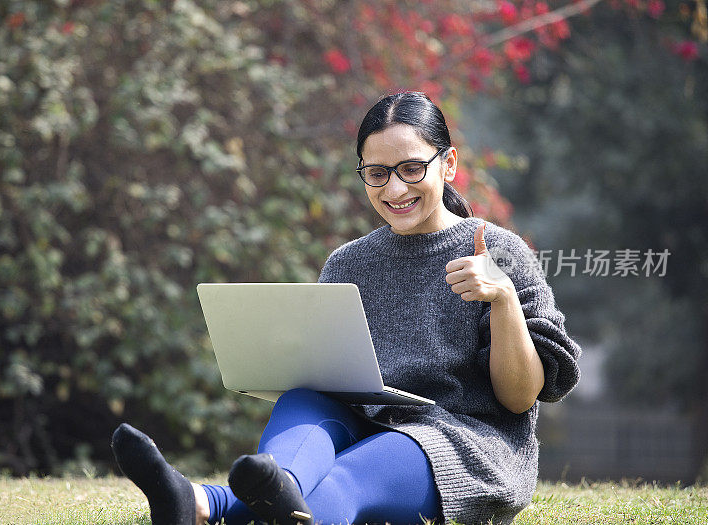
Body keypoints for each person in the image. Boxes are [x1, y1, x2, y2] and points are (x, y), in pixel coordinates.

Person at [110, 91, 581, 525]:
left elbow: (520, 399)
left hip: (463, 442)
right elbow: (331, 377)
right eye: (377, 173)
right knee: (305, 398)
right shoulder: (350, 261)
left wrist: (502, 299)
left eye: (411, 169)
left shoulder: (499, 251)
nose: (395, 190)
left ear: (448, 165)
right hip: (369, 423)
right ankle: (252, 495)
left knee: (346, 477)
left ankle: (207, 504)